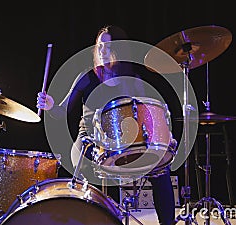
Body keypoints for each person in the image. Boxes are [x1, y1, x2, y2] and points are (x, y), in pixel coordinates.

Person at [36, 25, 176, 225]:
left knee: (161, 169)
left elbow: (147, 114)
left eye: (108, 46)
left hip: (125, 140)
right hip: (91, 140)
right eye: (99, 45)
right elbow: (62, 112)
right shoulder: (87, 77)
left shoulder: (132, 80)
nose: (102, 50)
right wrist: (50, 105)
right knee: (83, 166)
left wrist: (161, 134)